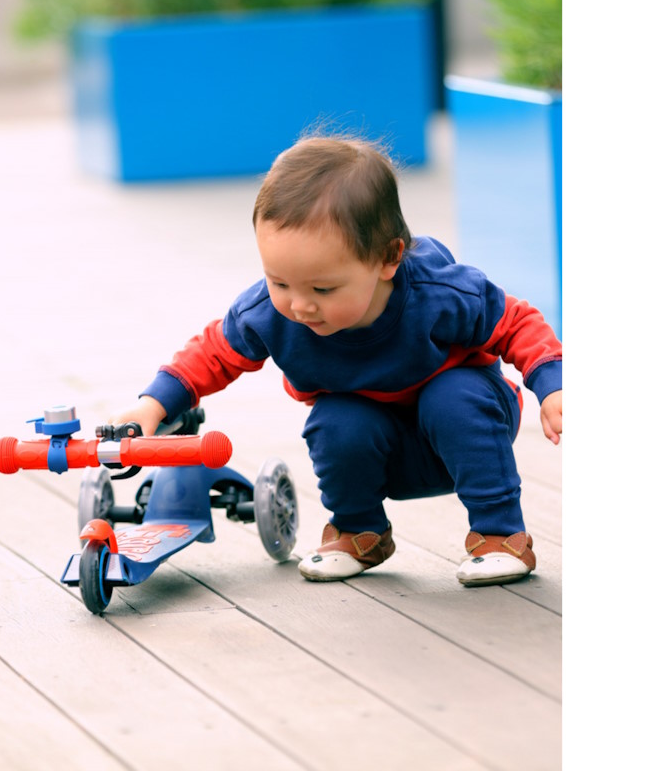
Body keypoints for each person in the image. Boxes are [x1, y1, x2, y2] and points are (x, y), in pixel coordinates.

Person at [110, 135, 562, 587]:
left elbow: (515, 321)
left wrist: (553, 385)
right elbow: (213, 352)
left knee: (452, 395)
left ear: (387, 259)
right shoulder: (271, 313)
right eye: (279, 282)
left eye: (322, 289)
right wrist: (153, 404)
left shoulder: (438, 292)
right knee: (337, 418)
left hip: (469, 433)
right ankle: (358, 531)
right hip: (380, 454)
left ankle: (500, 535)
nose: (299, 305)